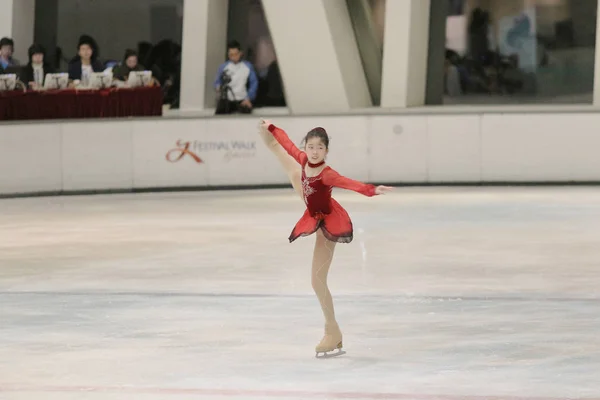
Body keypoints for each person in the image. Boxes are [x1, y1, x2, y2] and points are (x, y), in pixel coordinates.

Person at [258, 119, 392, 358]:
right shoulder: (303, 160)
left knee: (317, 280)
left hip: (328, 221)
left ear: (326, 151)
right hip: (311, 210)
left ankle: (332, 331)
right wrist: (271, 128)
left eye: (320, 147)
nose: (315, 151)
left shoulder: (327, 174)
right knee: (291, 169)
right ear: (306, 147)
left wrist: (372, 190)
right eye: (311, 147)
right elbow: (289, 145)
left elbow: (349, 183)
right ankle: (268, 142)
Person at [214, 40, 258, 114]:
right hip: (227, 100)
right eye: (231, 55)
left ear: (240, 53)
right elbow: (217, 82)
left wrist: (248, 98)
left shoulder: (247, 66)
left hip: (242, 99)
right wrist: (218, 87)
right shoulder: (223, 67)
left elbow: (254, 83)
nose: (233, 57)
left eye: (235, 54)